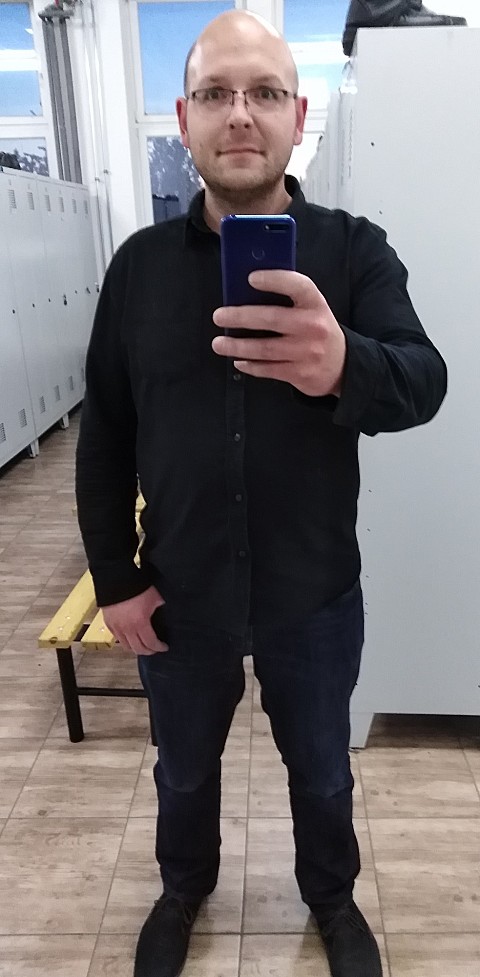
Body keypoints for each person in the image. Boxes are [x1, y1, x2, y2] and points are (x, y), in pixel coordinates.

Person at [75, 10, 447, 977]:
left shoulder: (354, 253)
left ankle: (331, 897)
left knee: (322, 772)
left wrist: (345, 364)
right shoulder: (137, 270)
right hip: (179, 593)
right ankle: (182, 889)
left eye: (265, 93)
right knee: (183, 770)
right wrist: (116, 579)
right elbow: (104, 433)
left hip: (311, 594)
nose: (240, 114)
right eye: (216, 94)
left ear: (298, 115)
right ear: (184, 118)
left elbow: (426, 381)